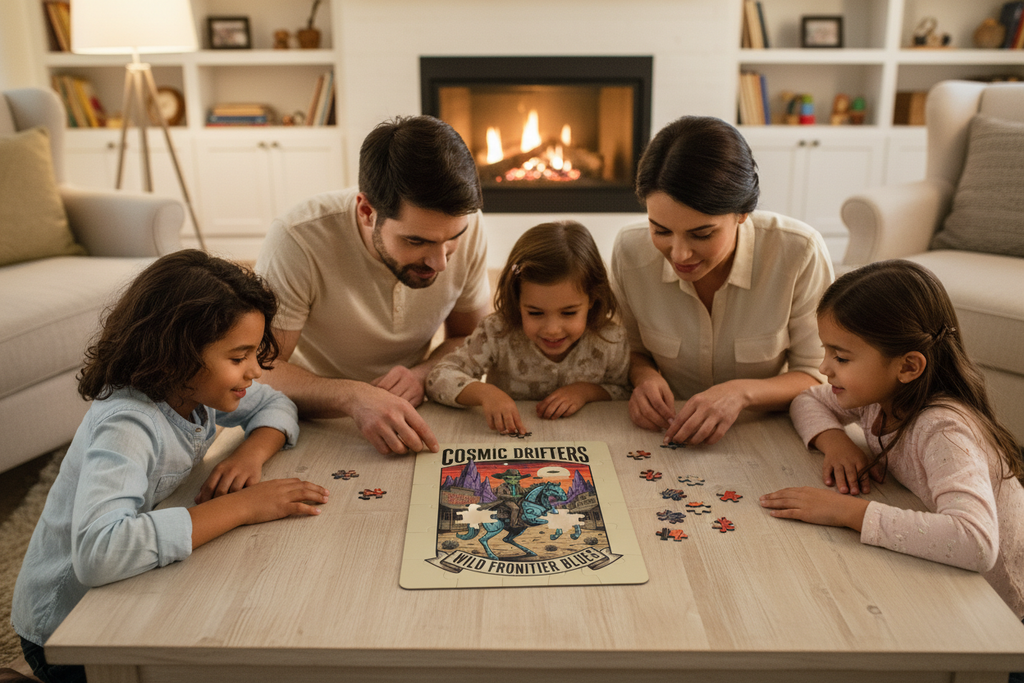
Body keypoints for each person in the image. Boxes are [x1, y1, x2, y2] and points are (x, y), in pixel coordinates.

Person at [11, 251, 328, 683]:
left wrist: (250, 453)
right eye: (239, 358)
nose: (255, 370)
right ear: (176, 355)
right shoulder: (127, 423)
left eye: (255, 354)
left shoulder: (193, 389)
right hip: (67, 629)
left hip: (127, 589)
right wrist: (244, 507)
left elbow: (276, 402)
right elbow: (99, 552)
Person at [759, 260, 1024, 620]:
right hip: (948, 579)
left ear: (908, 367)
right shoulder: (879, 397)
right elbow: (807, 398)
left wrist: (845, 511)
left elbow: (975, 542)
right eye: (826, 351)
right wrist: (835, 440)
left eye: (841, 357)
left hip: (1001, 608)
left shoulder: (944, 430)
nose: (823, 368)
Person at [255, 115, 490, 456]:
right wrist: (353, 396)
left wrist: (423, 374)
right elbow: (258, 370)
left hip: (415, 403)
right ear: (366, 211)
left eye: (453, 238)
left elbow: (469, 338)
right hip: (308, 414)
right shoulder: (297, 238)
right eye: (416, 241)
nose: (440, 262)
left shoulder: (466, 224)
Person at [611, 115, 834, 446]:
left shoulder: (799, 252)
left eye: (702, 234)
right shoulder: (630, 251)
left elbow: (820, 375)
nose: (679, 254)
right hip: (665, 429)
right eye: (661, 231)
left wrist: (740, 393)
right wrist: (644, 376)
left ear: (742, 213)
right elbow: (629, 349)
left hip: (766, 429)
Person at [426, 220, 629, 434]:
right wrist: (486, 393)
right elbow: (438, 378)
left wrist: (585, 392)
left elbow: (626, 391)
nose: (552, 329)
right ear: (516, 300)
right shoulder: (497, 331)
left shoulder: (610, 340)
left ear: (593, 299)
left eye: (569, 313)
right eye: (535, 313)